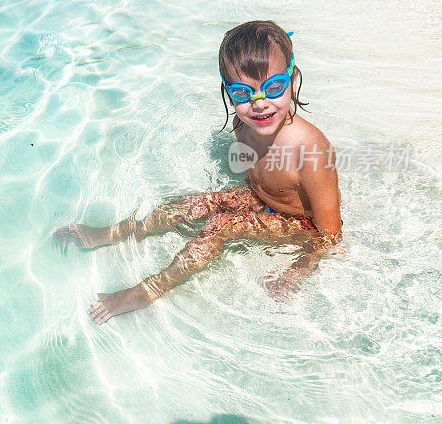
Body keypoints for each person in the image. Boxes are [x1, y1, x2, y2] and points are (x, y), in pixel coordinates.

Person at [54, 20, 343, 324]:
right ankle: (119, 232)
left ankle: (149, 289)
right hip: (264, 201)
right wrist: (232, 199)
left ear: (292, 79)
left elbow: (331, 233)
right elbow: (254, 173)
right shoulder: (242, 125)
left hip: (301, 224)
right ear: (228, 92)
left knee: (220, 225)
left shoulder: (311, 150)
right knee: (197, 203)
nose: (259, 104)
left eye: (273, 88)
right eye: (243, 93)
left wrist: (296, 270)